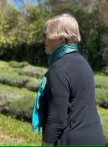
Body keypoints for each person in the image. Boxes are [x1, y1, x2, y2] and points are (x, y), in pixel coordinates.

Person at [35, 13, 105, 146]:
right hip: (95, 138)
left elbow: (56, 119)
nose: (43, 40)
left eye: (46, 35)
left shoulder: (58, 69)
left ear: (62, 36)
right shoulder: (83, 63)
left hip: (72, 140)